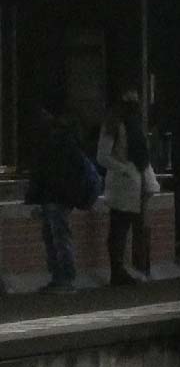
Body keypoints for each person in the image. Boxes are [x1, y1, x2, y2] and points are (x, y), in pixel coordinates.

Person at [97, 91, 160, 286]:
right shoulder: (126, 125)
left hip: (131, 183)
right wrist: (126, 169)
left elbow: (103, 156)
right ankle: (131, 269)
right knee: (128, 228)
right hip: (130, 182)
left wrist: (127, 170)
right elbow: (103, 157)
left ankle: (127, 269)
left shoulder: (119, 124)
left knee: (123, 228)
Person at [24, 107, 83, 293]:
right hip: (60, 196)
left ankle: (63, 278)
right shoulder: (64, 140)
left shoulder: (52, 143)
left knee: (57, 238)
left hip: (54, 196)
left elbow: (44, 172)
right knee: (56, 237)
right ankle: (61, 278)